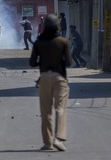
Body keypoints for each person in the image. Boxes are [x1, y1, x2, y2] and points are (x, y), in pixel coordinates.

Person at [29, 14, 71, 152]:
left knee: (46, 112)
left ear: (45, 27)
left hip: (45, 78)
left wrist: (42, 59)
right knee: (60, 108)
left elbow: (32, 63)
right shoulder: (63, 41)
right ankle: (58, 139)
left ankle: (47, 143)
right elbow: (69, 62)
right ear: (57, 26)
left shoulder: (38, 42)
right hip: (60, 78)